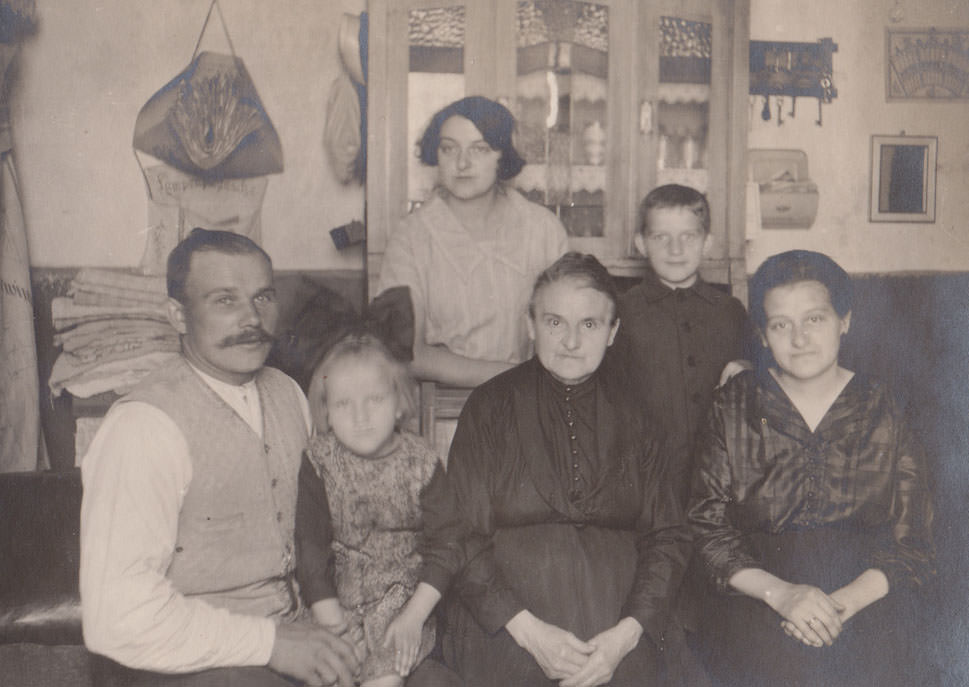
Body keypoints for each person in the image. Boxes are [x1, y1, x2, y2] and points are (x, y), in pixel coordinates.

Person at [80, 228, 361, 686]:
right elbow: (117, 614)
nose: (252, 318)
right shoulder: (143, 426)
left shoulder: (289, 394)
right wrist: (270, 643)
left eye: (263, 297)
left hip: (295, 636)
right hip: (190, 663)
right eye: (225, 301)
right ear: (178, 315)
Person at [416, 252, 691, 687]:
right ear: (530, 326)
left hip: (621, 631)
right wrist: (531, 634)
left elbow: (669, 537)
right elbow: (461, 536)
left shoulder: (639, 414)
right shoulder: (489, 407)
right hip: (509, 624)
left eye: (589, 324)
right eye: (554, 322)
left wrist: (623, 639)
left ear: (613, 331)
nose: (571, 342)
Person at [687, 249, 935, 686]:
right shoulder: (734, 402)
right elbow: (706, 526)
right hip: (757, 589)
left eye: (815, 319)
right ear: (763, 335)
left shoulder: (884, 405)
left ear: (845, 321)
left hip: (866, 589)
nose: (799, 338)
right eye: (781, 324)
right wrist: (781, 595)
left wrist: (843, 604)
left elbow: (912, 536)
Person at [376, 95, 568, 387]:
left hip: (533, 405)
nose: (462, 163)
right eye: (449, 149)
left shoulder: (543, 230)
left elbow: (566, 332)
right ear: (435, 155)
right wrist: (513, 378)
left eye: (479, 149)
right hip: (440, 417)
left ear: (502, 155)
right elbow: (408, 354)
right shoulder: (411, 239)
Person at [295, 332, 444, 687]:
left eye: (374, 400)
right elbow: (311, 551)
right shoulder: (319, 461)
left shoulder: (422, 462)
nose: (360, 417)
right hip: (333, 600)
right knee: (328, 673)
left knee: (384, 677)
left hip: (402, 603)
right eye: (344, 404)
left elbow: (449, 546)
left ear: (398, 404)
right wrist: (335, 627)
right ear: (326, 412)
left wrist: (414, 615)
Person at [610, 183, 752, 502]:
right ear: (641, 244)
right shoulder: (622, 312)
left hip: (721, 487)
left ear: (708, 243)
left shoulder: (731, 312)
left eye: (688, 236)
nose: (676, 250)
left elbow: (758, 391)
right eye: (661, 237)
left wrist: (747, 368)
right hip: (646, 486)